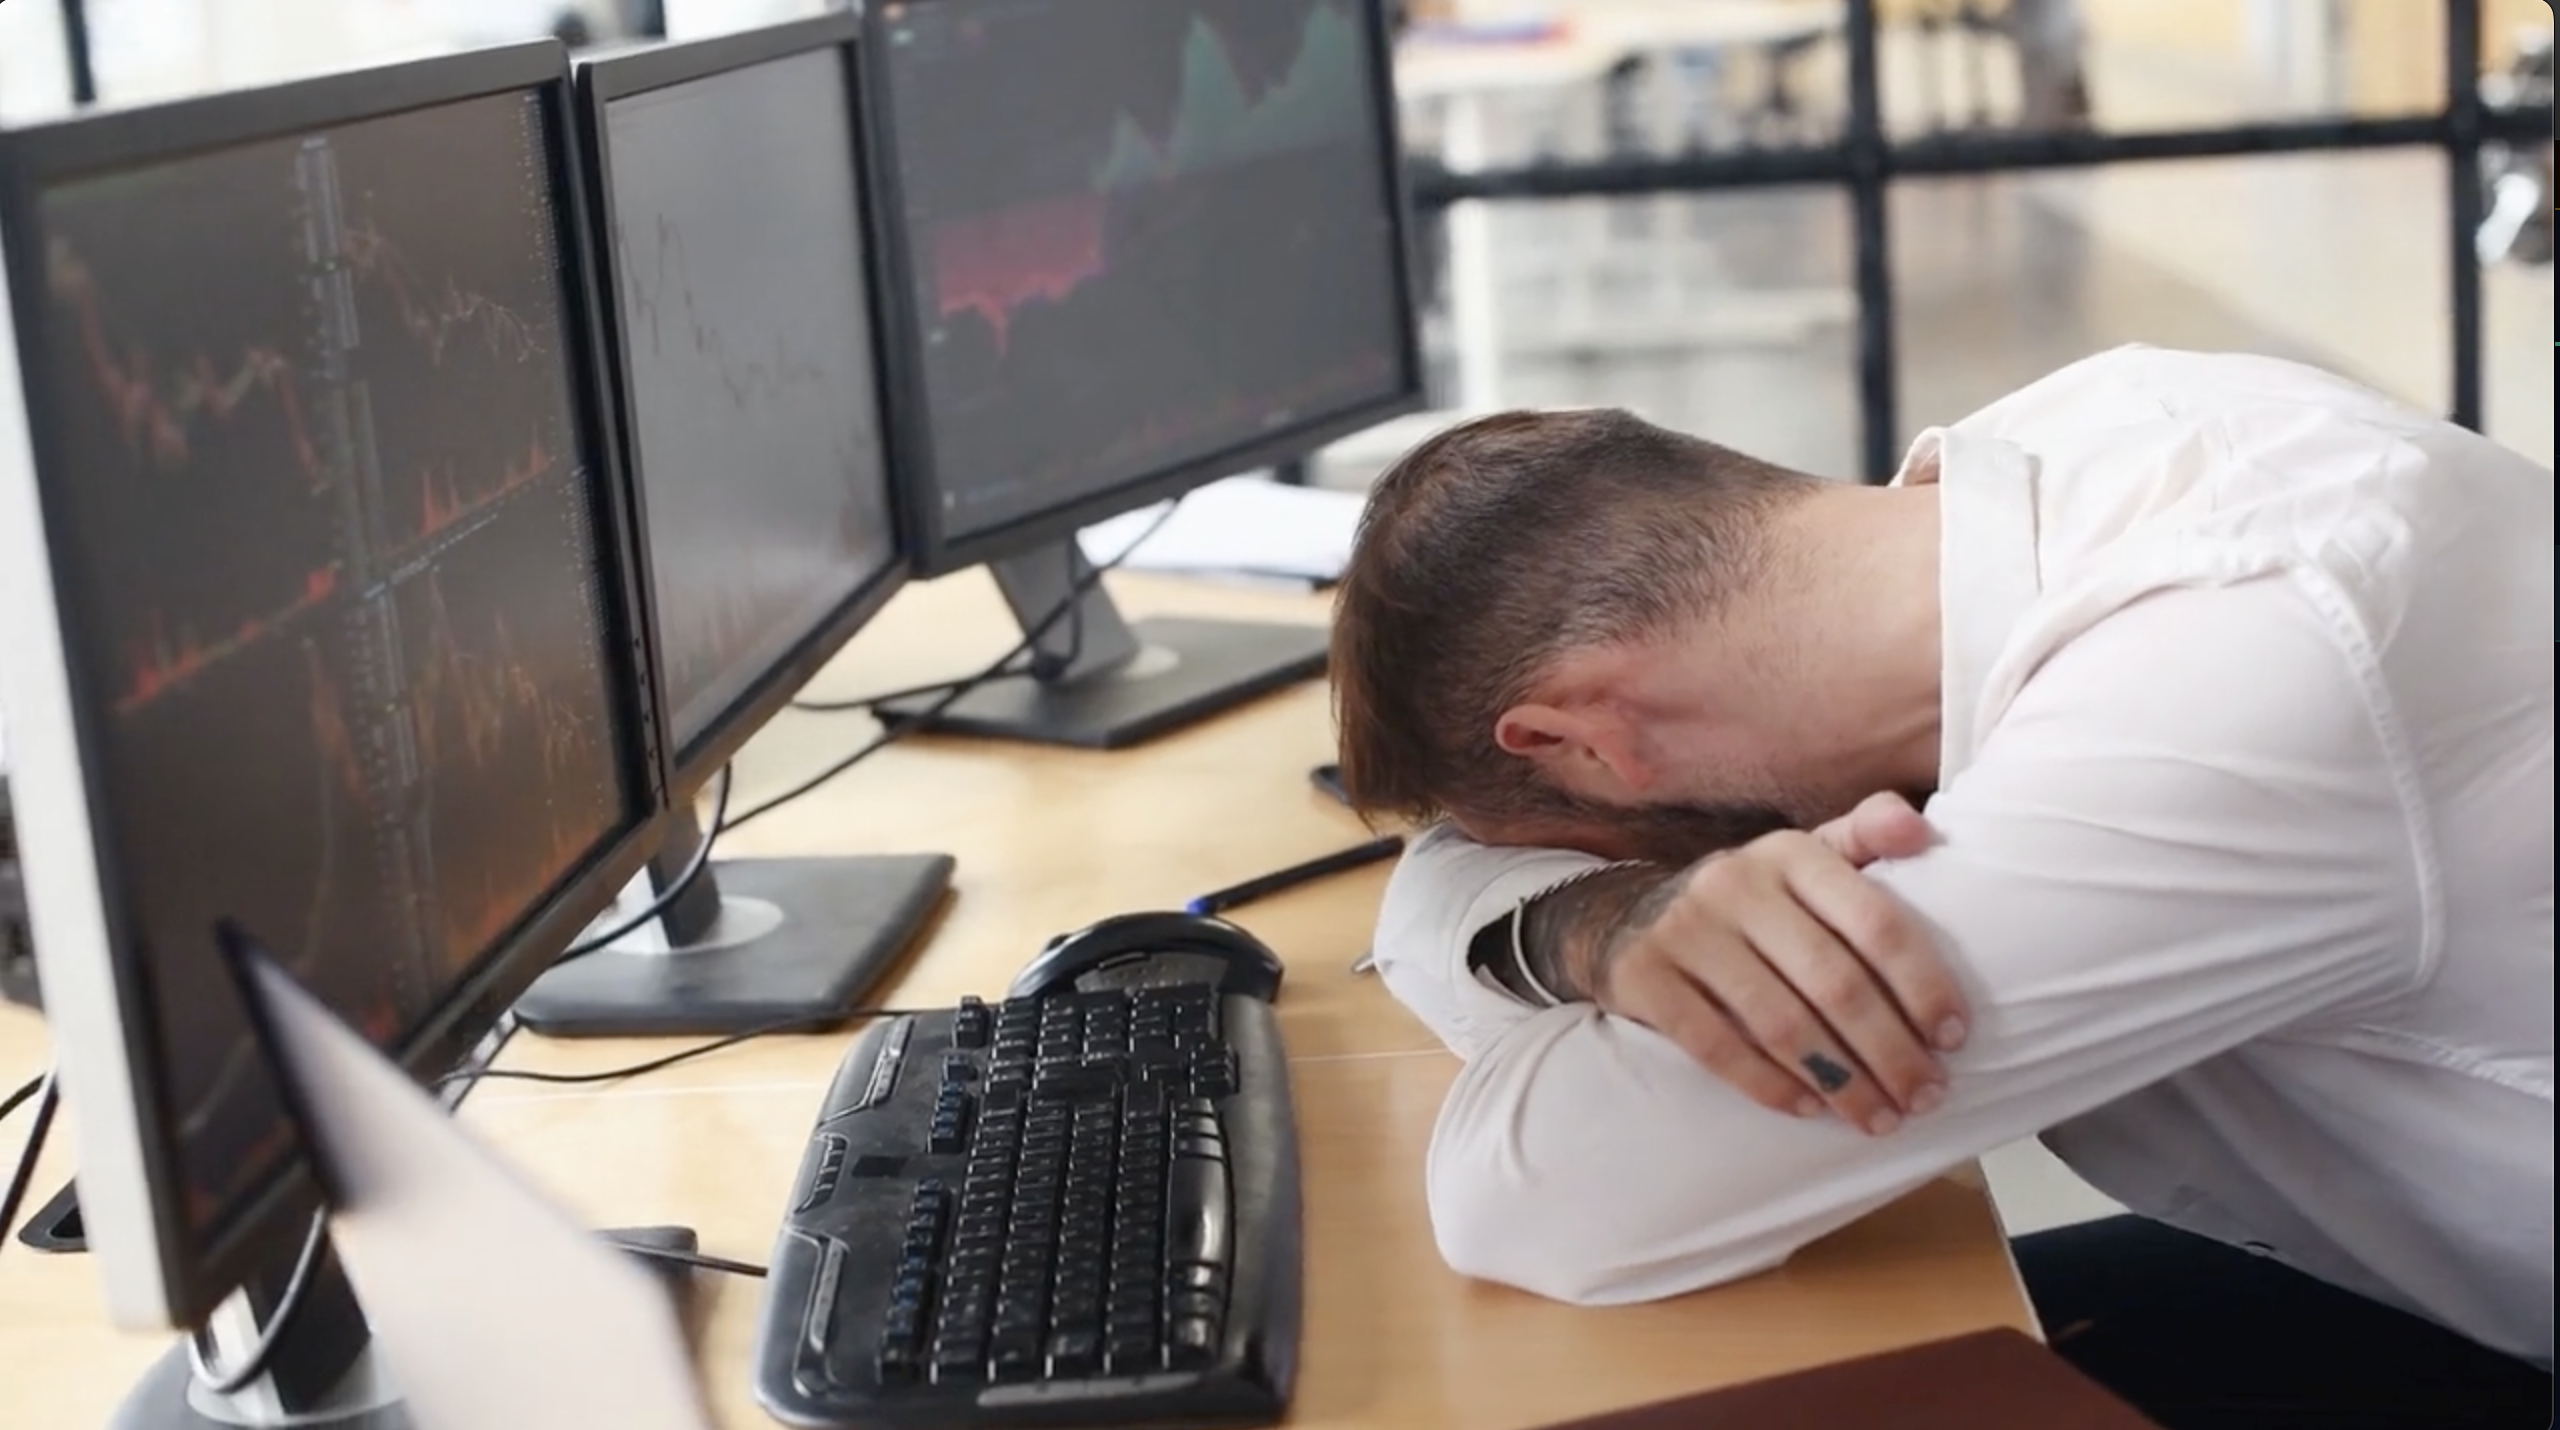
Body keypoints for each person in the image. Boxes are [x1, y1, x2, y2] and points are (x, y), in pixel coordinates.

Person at [1329, 345, 2553, 1428]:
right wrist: (1591, 921)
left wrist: (1563, 931)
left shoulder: (2222, 692)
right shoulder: (2103, 420)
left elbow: (1538, 1201)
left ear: (1587, 740)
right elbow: (1430, 890)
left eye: (1576, 846)